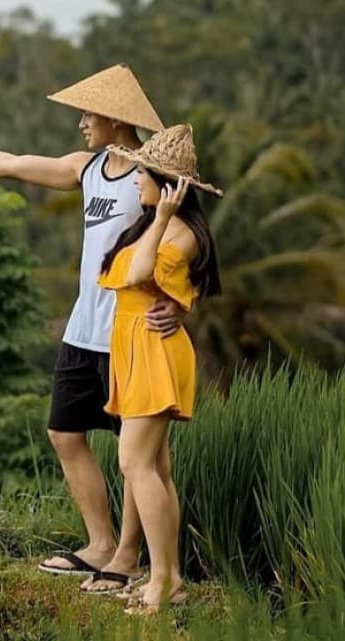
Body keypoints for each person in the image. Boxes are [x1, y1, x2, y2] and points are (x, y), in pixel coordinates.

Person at [0, 65, 185, 593]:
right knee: (64, 432)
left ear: (116, 118)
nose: (80, 123)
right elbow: (7, 164)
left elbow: (190, 238)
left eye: (88, 113)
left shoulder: (152, 175)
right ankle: (99, 543)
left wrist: (181, 307)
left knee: (137, 459)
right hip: (83, 329)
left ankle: (129, 557)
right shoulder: (88, 169)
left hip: (129, 336)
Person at [96, 124, 222, 614]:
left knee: (135, 464)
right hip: (132, 346)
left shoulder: (181, 234)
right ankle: (163, 575)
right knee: (156, 468)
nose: (133, 180)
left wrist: (163, 216)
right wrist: (156, 217)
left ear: (165, 184)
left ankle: (165, 581)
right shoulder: (151, 222)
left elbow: (137, 274)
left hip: (153, 348)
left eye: (141, 174)